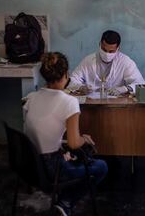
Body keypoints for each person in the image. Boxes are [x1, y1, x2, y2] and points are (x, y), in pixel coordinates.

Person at [23, 52, 108, 216]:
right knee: (101, 167)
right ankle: (66, 201)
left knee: (72, 154)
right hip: (51, 170)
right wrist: (84, 139)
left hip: (30, 165)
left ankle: (63, 197)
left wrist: (61, 151)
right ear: (66, 74)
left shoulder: (32, 98)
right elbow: (75, 143)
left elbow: (42, 131)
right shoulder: (69, 102)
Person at [69, 30, 145, 96]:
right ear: (100, 44)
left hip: (116, 104)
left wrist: (125, 88)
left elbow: (140, 83)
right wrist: (80, 87)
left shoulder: (125, 62)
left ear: (118, 48)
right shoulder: (88, 61)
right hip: (91, 103)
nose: (107, 54)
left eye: (111, 51)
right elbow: (72, 79)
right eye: (104, 50)